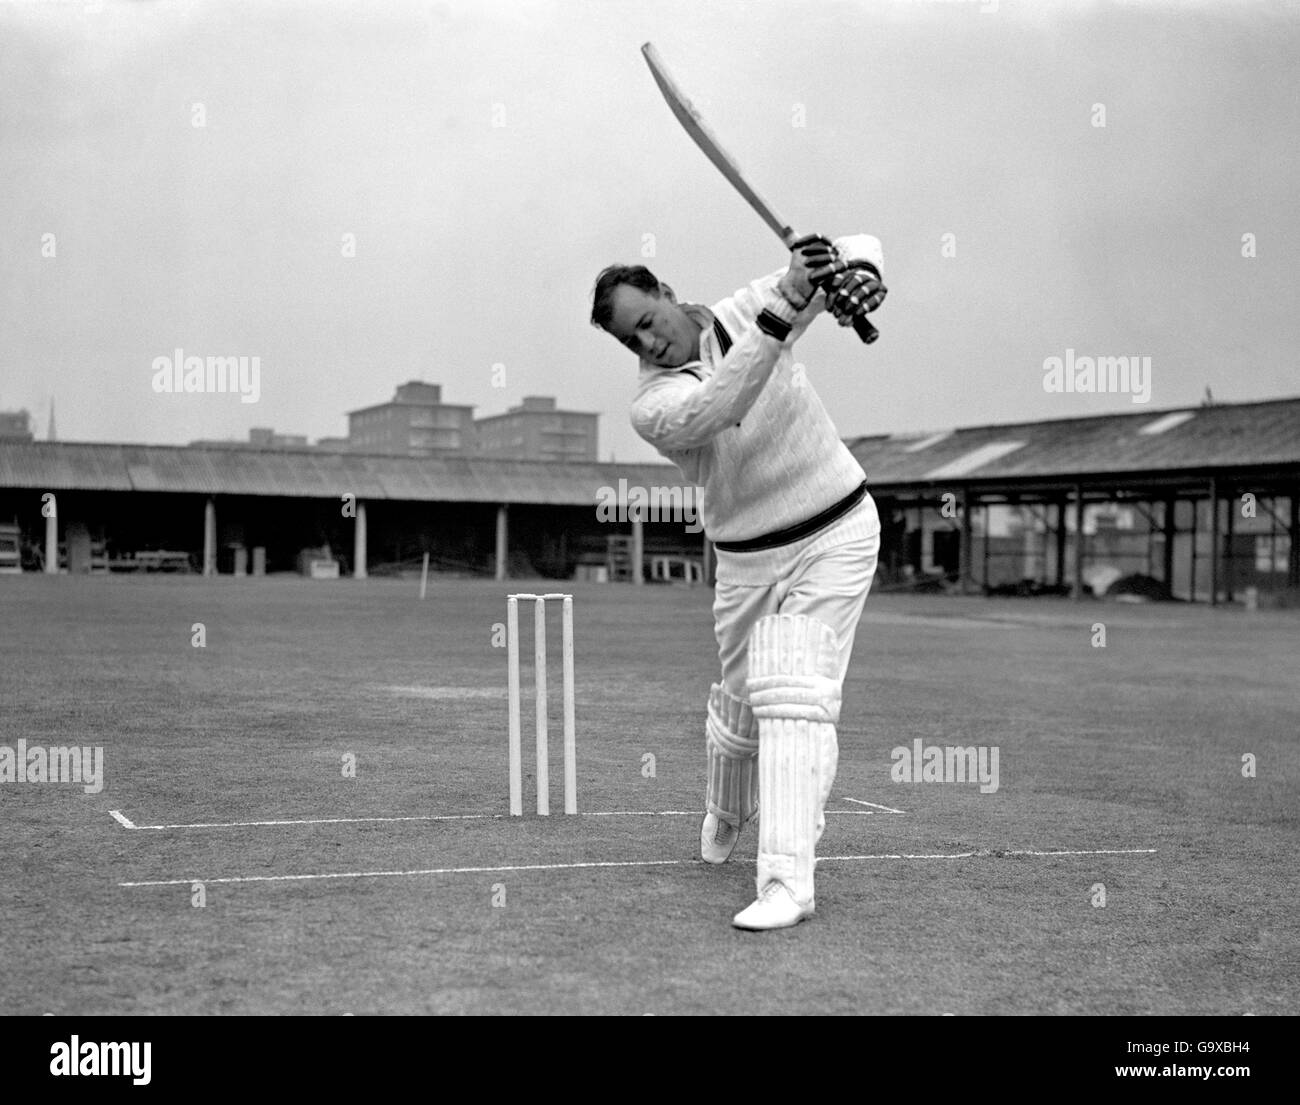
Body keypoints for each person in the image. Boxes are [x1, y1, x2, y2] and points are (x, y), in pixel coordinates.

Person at [589, 235, 886, 930]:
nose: (650, 342)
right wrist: (790, 301)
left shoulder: (749, 304)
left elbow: (857, 243)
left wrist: (855, 274)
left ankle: (787, 878)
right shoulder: (655, 403)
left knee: (798, 694)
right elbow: (722, 404)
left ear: (665, 291)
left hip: (838, 525)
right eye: (632, 338)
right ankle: (727, 807)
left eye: (649, 319)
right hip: (746, 559)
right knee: (742, 707)